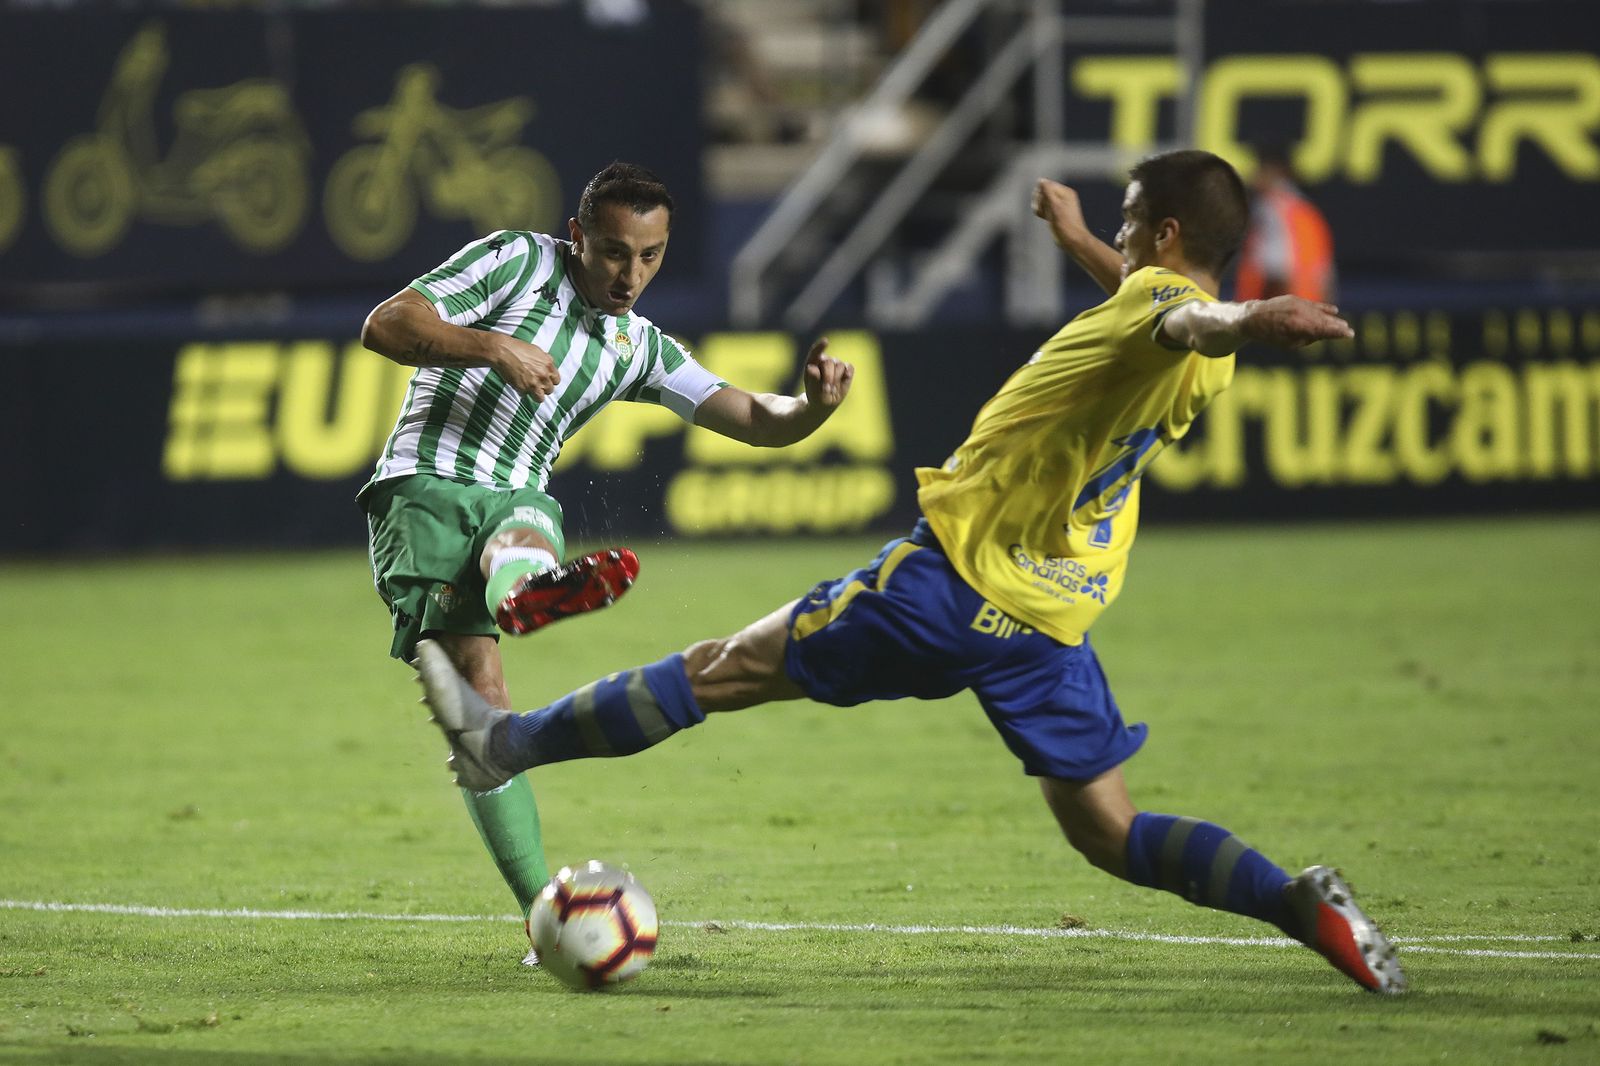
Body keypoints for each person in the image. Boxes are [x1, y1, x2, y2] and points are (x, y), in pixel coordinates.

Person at [412, 149, 1407, 994]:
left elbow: (1189, 317)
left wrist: (1255, 314)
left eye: (1129, 218)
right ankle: (1294, 902)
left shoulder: (1183, 319)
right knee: (1110, 828)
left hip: (951, 582)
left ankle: (506, 744)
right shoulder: (1171, 317)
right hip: (1051, 613)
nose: (1119, 231)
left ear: (1165, 232)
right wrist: (1088, 247)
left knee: (722, 668)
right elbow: (1172, 309)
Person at [358, 161, 855, 962]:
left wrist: (810, 410)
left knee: (529, 519)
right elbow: (386, 325)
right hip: (424, 490)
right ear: (578, 235)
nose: (632, 276)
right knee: (477, 718)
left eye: (652, 257)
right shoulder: (516, 261)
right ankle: (543, 915)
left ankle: (526, 590)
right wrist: (494, 348)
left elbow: (749, 416)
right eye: (617, 252)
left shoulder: (637, 344)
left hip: (516, 500)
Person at [1233, 143, 1337, 303]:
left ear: (1275, 171)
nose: (1254, 175)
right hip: (1308, 307)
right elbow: (1325, 276)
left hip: (1282, 310)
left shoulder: (1271, 208)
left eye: (1260, 168)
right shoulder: (1306, 211)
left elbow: (1277, 271)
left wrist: (1264, 314)